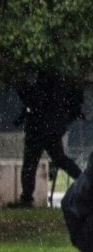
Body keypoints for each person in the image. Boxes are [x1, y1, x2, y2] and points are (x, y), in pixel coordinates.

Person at [10, 71, 84, 208]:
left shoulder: (46, 80)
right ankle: (84, 184)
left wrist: (21, 86)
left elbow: (32, 99)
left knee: (31, 162)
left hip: (40, 127)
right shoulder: (60, 80)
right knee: (59, 159)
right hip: (51, 127)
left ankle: (26, 197)